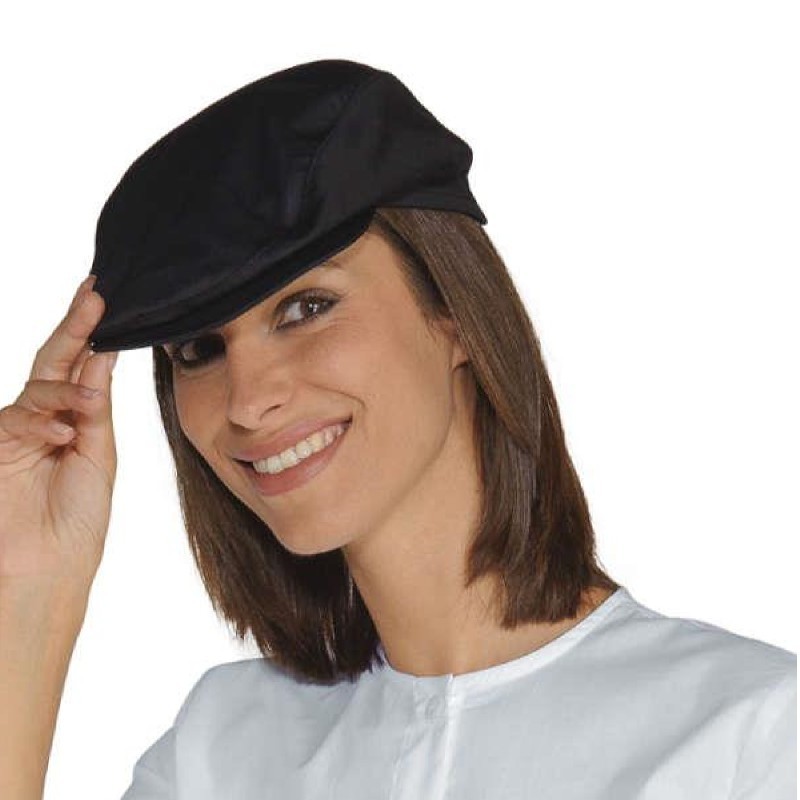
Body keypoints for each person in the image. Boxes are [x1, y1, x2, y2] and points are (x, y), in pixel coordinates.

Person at [0, 59, 794, 800]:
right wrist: (30, 591)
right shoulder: (221, 750)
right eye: (198, 350)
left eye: (306, 308)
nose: (246, 401)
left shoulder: (748, 737)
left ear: (452, 312)